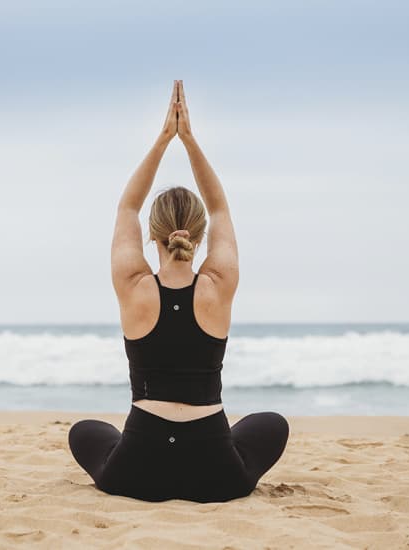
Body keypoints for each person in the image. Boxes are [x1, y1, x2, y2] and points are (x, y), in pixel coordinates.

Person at [68, 80, 289, 502]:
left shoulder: (133, 284)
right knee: (271, 423)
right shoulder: (218, 283)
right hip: (216, 473)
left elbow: (127, 207)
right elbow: (220, 205)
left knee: (85, 432)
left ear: (152, 236)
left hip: (136, 468)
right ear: (200, 235)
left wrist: (163, 138)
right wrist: (189, 141)